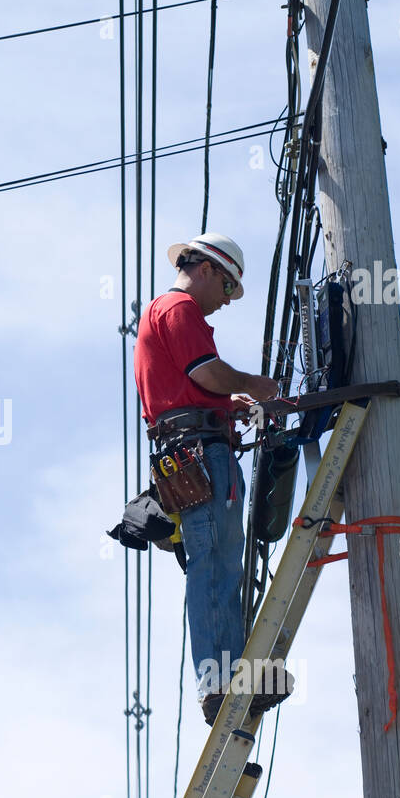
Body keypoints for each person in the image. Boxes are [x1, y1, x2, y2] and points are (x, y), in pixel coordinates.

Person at [133, 232, 293, 726]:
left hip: (194, 449)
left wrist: (229, 404)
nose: (226, 302)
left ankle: (229, 674)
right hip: (201, 455)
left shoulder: (169, 314)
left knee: (221, 561)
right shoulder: (179, 310)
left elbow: (192, 387)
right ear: (205, 269)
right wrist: (251, 385)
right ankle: (219, 679)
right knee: (213, 563)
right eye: (227, 288)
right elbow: (205, 373)